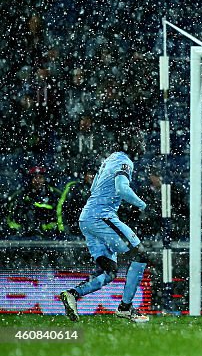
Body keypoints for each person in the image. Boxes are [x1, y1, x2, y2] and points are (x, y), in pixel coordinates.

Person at [58, 131, 150, 323]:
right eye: (139, 139)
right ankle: (125, 308)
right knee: (140, 255)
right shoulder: (125, 162)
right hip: (101, 216)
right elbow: (122, 189)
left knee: (109, 272)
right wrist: (142, 205)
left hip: (87, 218)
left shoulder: (109, 160)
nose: (142, 144)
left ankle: (73, 294)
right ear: (130, 143)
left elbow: (94, 190)